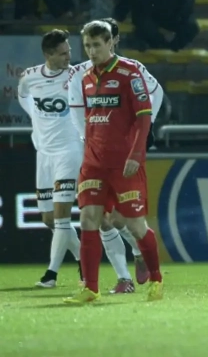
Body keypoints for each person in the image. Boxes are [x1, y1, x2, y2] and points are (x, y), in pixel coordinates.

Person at [64, 20, 163, 303]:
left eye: (97, 45)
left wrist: (136, 154)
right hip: (94, 163)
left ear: (111, 43)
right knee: (88, 219)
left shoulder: (130, 73)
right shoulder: (85, 78)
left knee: (135, 225)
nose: (92, 51)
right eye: (87, 46)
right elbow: (90, 120)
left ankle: (156, 279)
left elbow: (144, 117)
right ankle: (90, 288)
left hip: (124, 163)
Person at [17, 29, 82, 288]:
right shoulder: (30, 77)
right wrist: (36, 118)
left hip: (69, 151)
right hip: (44, 153)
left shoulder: (76, 76)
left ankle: (51, 274)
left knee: (62, 215)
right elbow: (23, 96)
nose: (69, 57)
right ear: (48, 55)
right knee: (49, 219)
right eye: (63, 53)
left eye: (69, 51)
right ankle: (83, 258)